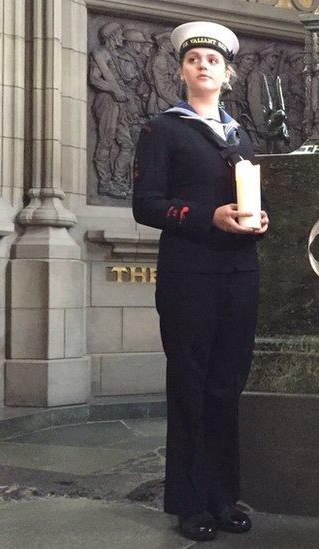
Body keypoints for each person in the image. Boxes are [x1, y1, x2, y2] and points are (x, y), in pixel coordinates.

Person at [131, 20, 269, 542]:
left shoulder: (241, 135)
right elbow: (146, 206)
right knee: (190, 384)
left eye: (212, 60)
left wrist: (261, 219)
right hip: (189, 274)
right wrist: (207, 217)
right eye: (194, 60)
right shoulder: (161, 130)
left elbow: (255, 197)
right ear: (183, 71)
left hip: (240, 273)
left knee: (227, 386)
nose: (203, 66)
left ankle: (222, 496)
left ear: (227, 73)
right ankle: (189, 503)